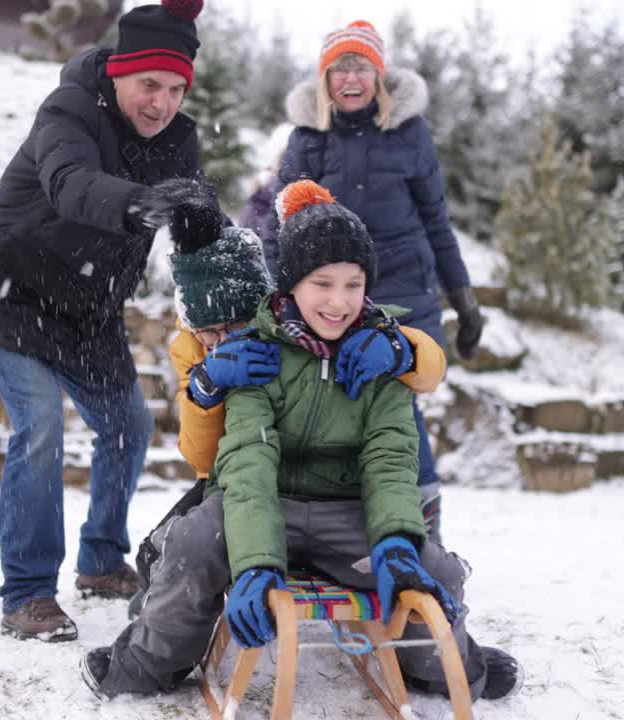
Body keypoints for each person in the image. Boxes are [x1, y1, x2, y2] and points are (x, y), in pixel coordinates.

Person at [81, 180, 519, 702]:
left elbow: (390, 457)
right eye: (321, 284)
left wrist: (398, 538)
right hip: (266, 504)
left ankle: (447, 666)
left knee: (432, 567)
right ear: (290, 286)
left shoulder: (378, 352)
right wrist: (256, 563)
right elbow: (246, 460)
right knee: (195, 542)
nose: (337, 302)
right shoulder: (257, 353)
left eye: (352, 285)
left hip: (345, 510)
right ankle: (146, 664)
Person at [0, 0, 211, 643]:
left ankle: (100, 560)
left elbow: (199, 231)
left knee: (127, 424)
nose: (162, 103)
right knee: (38, 426)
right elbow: (69, 182)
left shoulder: (178, 140)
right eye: (149, 84)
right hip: (9, 293)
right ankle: (28, 594)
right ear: (120, 73)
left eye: (177, 88)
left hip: (87, 313)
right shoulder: (69, 111)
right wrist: (138, 202)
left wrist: (235, 280)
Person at [127, 193, 449, 610]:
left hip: (328, 492)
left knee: (422, 556)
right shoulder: (192, 350)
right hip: (240, 479)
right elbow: (204, 462)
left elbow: (430, 371)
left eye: (235, 325)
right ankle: (162, 634)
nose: (223, 340)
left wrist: (401, 348)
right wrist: (207, 386)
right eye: (209, 330)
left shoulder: (288, 333)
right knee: (163, 554)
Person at [262, 20, 485, 544]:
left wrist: (465, 301)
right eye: (339, 68)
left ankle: (422, 528)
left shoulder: (410, 133)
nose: (350, 78)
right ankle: (341, 527)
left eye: (361, 66)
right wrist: (277, 298)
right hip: (332, 292)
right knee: (332, 402)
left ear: (379, 76)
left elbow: (436, 220)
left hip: (404, 294)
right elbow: (282, 224)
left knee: (397, 401)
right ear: (325, 79)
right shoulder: (308, 138)